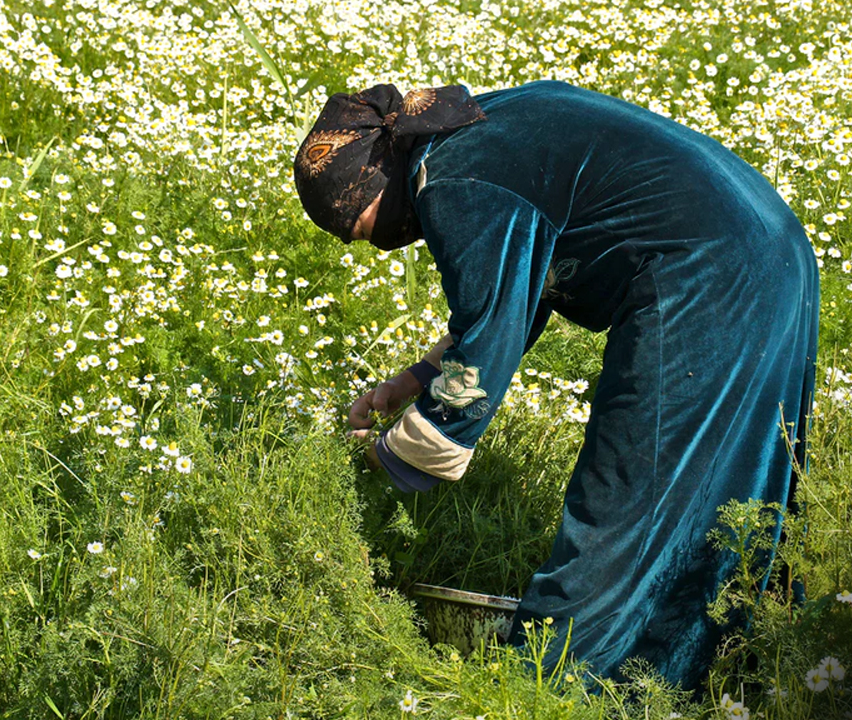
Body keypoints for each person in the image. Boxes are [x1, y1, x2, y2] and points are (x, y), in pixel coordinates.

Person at [291, 79, 819, 694]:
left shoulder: (456, 181)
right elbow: (521, 286)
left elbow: (488, 338)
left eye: (362, 228)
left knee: (629, 492)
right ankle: (744, 675)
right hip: (770, 249)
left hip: (704, 272)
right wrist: (413, 381)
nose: (380, 245)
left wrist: (389, 459)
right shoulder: (475, 129)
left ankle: (551, 687)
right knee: (738, 479)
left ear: (374, 183)